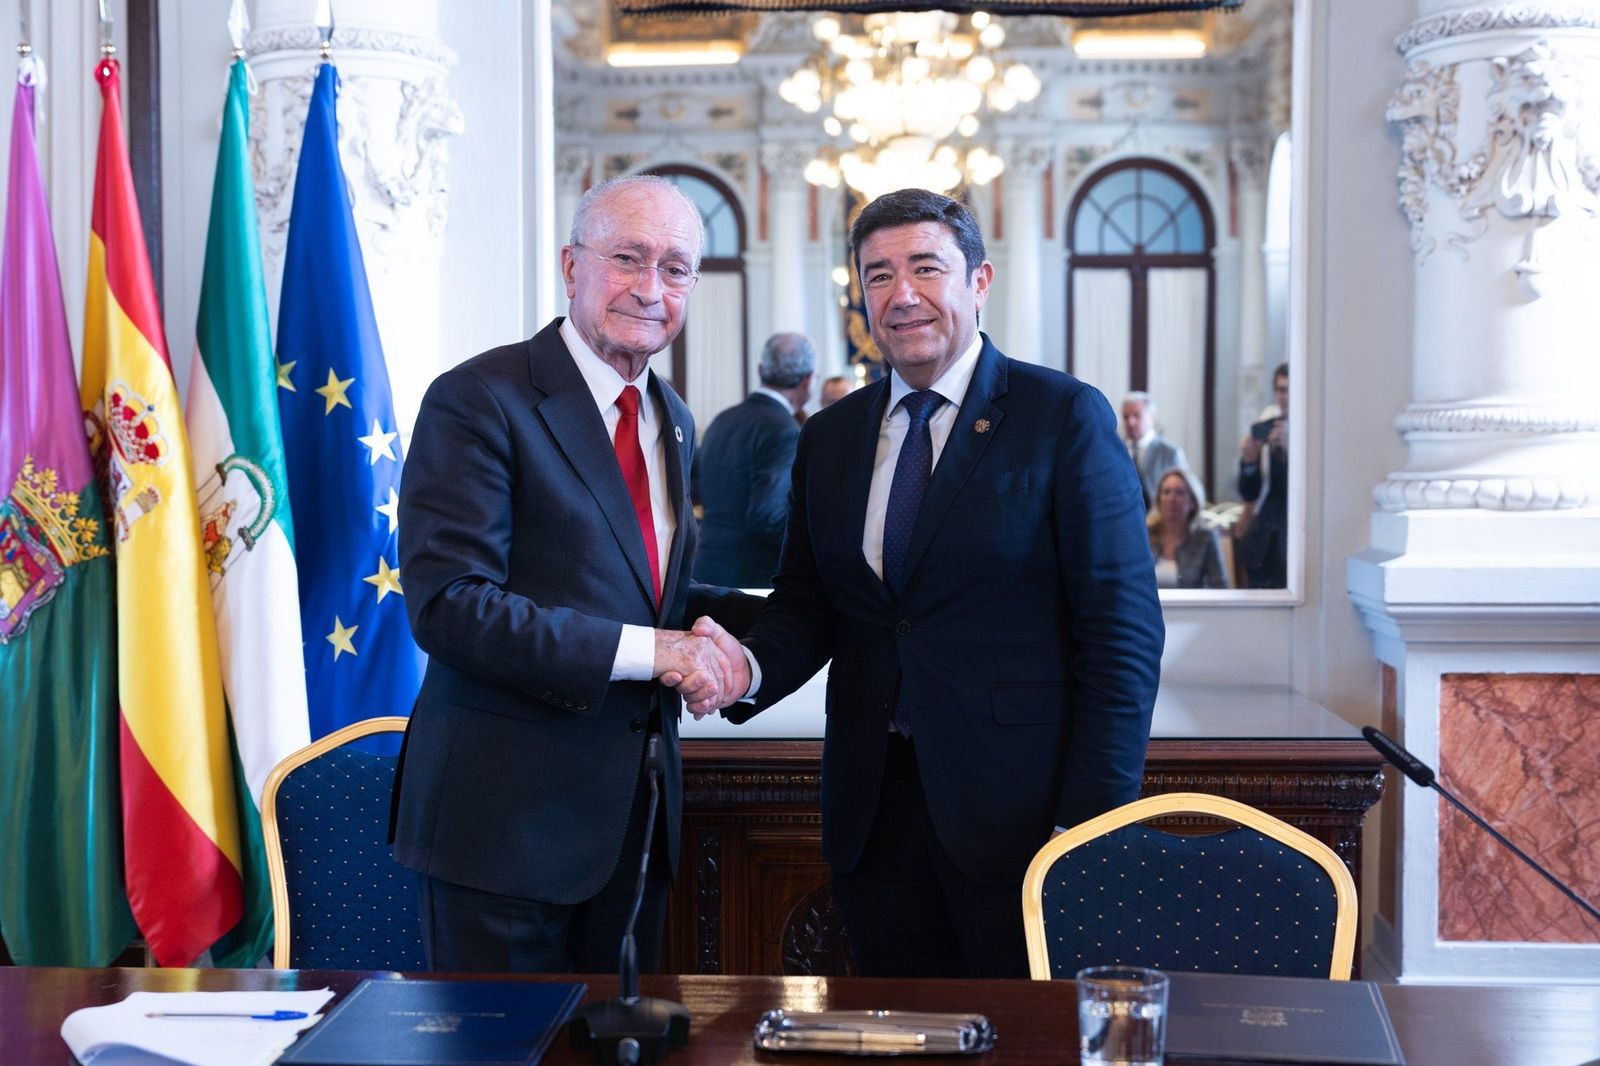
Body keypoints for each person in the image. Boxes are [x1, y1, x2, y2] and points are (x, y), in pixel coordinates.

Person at [683, 188, 1164, 979]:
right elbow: (809, 604)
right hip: (874, 820)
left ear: (979, 281)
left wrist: (1088, 828)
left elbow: (1123, 636)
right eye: (877, 276)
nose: (900, 294)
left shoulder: (1061, 417)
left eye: (925, 268)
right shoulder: (830, 438)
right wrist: (748, 665)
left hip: (1023, 822)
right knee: (896, 1036)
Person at [392, 175, 760, 975]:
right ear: (571, 265)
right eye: (628, 257)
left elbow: (647, 593)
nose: (650, 289)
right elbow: (453, 606)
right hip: (504, 832)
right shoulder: (479, 399)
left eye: (675, 268)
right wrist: (660, 653)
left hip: (635, 826)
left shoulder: (674, 419)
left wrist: (779, 622)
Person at [692, 333, 816, 588]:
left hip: (706, 570)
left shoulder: (722, 420)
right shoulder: (784, 430)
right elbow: (768, 516)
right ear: (808, 381)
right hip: (752, 579)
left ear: (760, 370)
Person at [1236, 362, 1289, 589]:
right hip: (1266, 528)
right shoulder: (1269, 419)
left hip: (1294, 527)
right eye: (1279, 390)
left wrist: (1289, 449)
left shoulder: (1313, 427)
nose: (1284, 397)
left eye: (1289, 390)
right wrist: (1250, 461)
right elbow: (1251, 491)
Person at [1148, 467, 1226, 589]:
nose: (1171, 498)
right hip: (1150, 607)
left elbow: (1220, 587)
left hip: (1192, 607)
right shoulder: (1145, 534)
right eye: (1166, 492)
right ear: (1159, 500)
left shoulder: (1206, 539)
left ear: (1193, 502)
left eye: (1179, 492)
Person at [1122, 391, 1188, 513]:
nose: (1130, 422)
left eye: (1137, 415)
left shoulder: (1170, 453)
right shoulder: (1118, 451)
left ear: (1152, 417)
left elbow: (1183, 494)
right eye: (1126, 417)